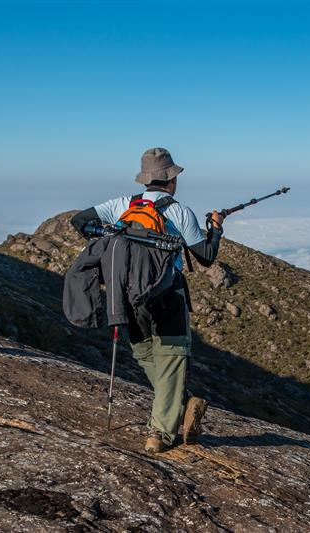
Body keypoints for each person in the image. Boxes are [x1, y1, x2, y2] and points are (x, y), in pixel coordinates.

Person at [70, 147, 223, 453]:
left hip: (127, 294)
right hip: (168, 293)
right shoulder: (178, 211)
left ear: (145, 180)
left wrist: (112, 237)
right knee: (172, 359)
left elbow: (79, 220)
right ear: (171, 180)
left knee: (143, 353)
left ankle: (181, 402)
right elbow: (205, 257)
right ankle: (159, 434)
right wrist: (215, 229)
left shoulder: (122, 204)